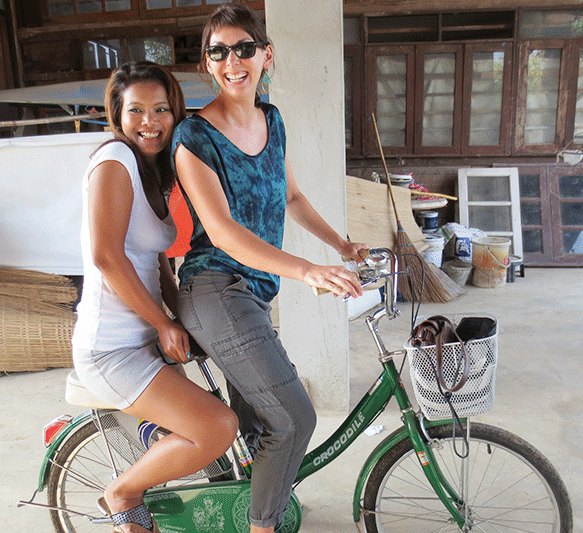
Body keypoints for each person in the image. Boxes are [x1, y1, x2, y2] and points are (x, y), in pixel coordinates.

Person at [172, 6, 367, 533]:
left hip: (252, 293)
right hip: (213, 287)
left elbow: (293, 197)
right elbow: (224, 233)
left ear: (265, 55)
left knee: (264, 424)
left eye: (243, 48)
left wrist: (341, 244)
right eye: (218, 51)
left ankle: (249, 508)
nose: (232, 61)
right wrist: (307, 270)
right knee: (296, 417)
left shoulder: (271, 119)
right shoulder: (194, 137)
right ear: (207, 64)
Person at [71, 61, 238, 533]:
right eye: (137, 110)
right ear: (118, 115)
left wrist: (181, 309)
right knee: (218, 427)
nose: (151, 121)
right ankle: (123, 491)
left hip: (141, 339)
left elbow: (156, 258)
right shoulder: (114, 162)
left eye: (162, 109)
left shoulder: (153, 170)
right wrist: (165, 323)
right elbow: (106, 257)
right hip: (112, 348)